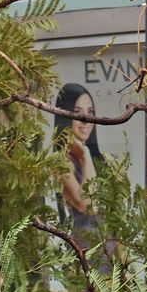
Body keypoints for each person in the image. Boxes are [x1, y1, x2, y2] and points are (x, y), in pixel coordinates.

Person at [54, 83, 104, 239]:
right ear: (64, 116)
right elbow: (88, 206)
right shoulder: (61, 163)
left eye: (90, 112)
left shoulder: (98, 159)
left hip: (106, 244)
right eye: (77, 113)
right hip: (83, 244)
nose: (86, 120)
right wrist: (85, 154)